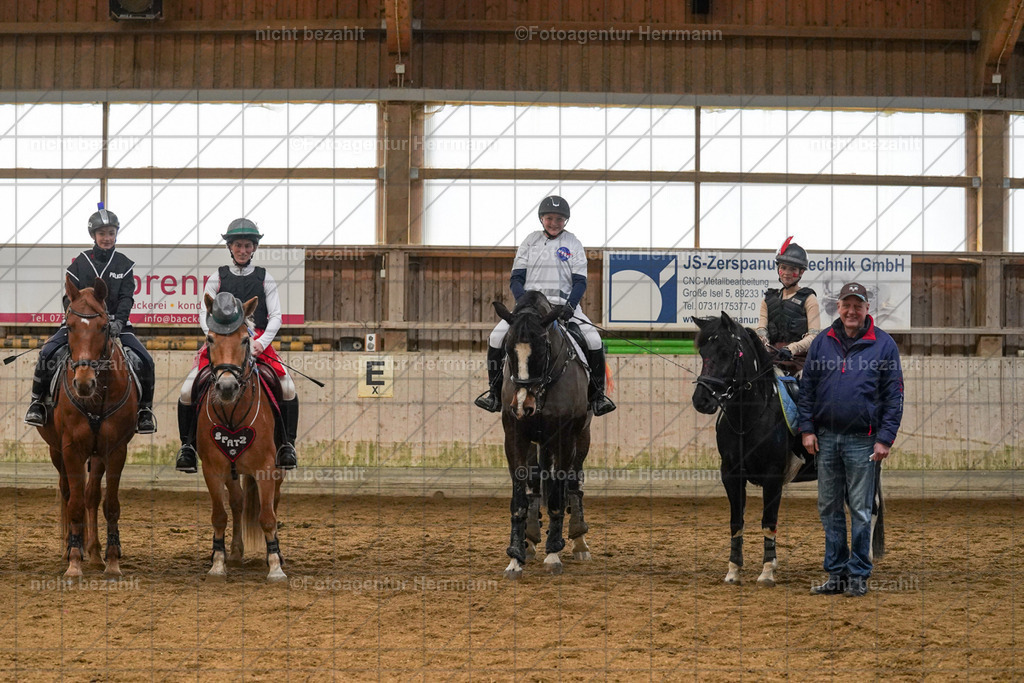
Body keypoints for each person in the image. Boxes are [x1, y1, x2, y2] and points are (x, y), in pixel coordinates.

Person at [798, 282, 904, 598]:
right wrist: (807, 429)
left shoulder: (884, 345)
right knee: (829, 508)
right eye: (846, 304)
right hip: (827, 439)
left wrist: (885, 439)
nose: (851, 311)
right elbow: (807, 390)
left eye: (857, 305)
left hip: (864, 441)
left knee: (859, 510)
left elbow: (894, 395)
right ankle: (836, 573)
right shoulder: (822, 343)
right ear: (839, 308)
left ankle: (858, 574)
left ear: (866, 309)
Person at [174, 218, 298, 473]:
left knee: (287, 387)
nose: (243, 250)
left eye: (247, 246)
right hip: (221, 344)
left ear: (254, 248)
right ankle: (187, 446)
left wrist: (261, 343)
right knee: (188, 390)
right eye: (238, 245)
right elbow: (203, 313)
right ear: (230, 247)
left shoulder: (265, 278)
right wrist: (214, 336)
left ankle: (287, 444)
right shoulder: (217, 277)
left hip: (256, 342)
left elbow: (276, 316)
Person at [474, 195, 615, 416]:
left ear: (565, 221)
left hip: (563, 307)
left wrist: (571, 306)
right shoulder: (530, 241)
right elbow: (516, 279)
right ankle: (493, 393)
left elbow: (580, 281)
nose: (554, 223)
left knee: (594, 340)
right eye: (550, 218)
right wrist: (524, 304)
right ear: (542, 218)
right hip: (531, 307)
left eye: (559, 219)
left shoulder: (573, 243)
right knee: (495, 337)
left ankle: (598, 396)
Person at [24, 203, 157, 434]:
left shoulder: (124, 265)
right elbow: (68, 297)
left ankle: (144, 411)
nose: (107, 238)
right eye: (102, 233)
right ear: (93, 235)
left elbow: (127, 297)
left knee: (145, 360)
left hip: (116, 324)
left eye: (111, 233)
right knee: (47, 353)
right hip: (81, 324)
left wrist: (118, 321)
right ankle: (37, 403)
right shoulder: (80, 262)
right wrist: (76, 316)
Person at [757, 237, 820, 374]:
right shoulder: (768, 299)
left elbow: (814, 335)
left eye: (793, 269)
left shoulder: (809, 298)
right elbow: (761, 329)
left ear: (801, 272)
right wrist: (764, 343)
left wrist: (792, 348)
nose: (786, 273)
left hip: (800, 364)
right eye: (783, 267)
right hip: (772, 362)